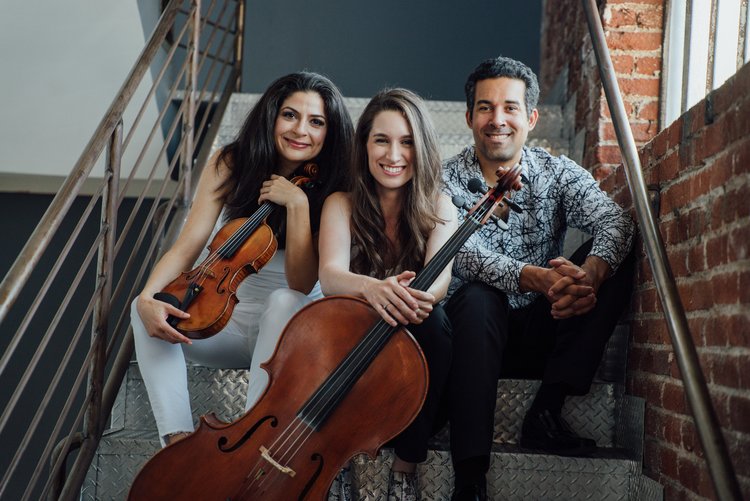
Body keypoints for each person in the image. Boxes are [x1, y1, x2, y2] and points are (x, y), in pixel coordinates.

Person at [441, 56, 636, 500]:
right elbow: (460, 255)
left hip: (543, 331)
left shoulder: (557, 172)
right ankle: (470, 476)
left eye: (510, 107)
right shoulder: (444, 179)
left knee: (616, 252)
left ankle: (546, 411)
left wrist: (586, 277)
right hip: (472, 341)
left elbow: (615, 222)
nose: (497, 120)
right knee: (477, 296)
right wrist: (532, 278)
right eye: (485, 108)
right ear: (469, 117)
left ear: (530, 117)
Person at [131, 72, 353, 446]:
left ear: (329, 132)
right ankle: (178, 443)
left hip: (293, 329)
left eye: (316, 122)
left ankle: (250, 442)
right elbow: (187, 246)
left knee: (283, 300)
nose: (301, 130)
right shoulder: (232, 162)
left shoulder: (337, 182)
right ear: (271, 116)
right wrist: (147, 297)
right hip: (228, 317)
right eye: (290, 115)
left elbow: (301, 283)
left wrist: (298, 205)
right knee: (144, 311)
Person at [318, 88, 457, 501]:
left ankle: (404, 471)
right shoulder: (340, 204)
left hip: (409, 357)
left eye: (407, 141)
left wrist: (404, 299)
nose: (393, 154)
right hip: (352, 349)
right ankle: (336, 460)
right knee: (329, 323)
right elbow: (329, 276)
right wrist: (374, 289)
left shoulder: (440, 205)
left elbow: (437, 284)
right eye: (381, 140)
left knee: (436, 322)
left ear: (422, 148)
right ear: (364, 146)